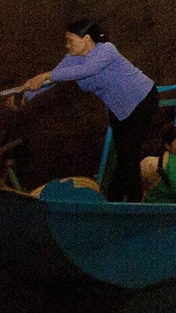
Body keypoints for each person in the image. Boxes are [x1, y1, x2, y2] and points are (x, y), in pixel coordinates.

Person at [11, 19, 158, 203]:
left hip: (142, 100)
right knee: (123, 157)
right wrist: (26, 95)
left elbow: (86, 70)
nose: (67, 45)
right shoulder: (72, 58)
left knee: (129, 155)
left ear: (86, 38)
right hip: (119, 108)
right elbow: (54, 79)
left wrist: (47, 75)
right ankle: (113, 201)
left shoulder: (106, 50)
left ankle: (135, 204)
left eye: (70, 40)